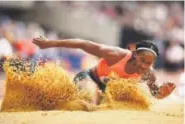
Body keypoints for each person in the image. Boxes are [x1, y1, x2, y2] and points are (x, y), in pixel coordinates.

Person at [32, 36, 176, 105]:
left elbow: (155, 93)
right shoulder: (115, 54)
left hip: (106, 91)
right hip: (88, 77)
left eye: (148, 63)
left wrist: (163, 93)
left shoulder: (149, 74)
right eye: (142, 60)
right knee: (90, 99)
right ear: (134, 54)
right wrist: (49, 43)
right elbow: (83, 44)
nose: (144, 65)